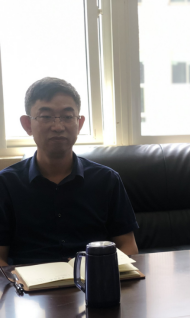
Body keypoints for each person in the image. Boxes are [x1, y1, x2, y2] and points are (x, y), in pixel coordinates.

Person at [0, 78, 139, 266]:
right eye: (45, 116)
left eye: (67, 116)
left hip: (94, 279)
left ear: (79, 123)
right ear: (27, 124)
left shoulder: (107, 180)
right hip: (29, 282)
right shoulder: (6, 184)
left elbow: (127, 245)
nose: (58, 127)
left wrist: (109, 277)